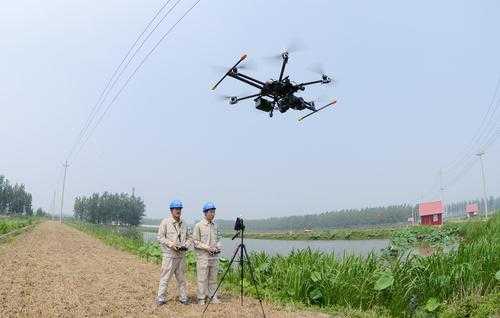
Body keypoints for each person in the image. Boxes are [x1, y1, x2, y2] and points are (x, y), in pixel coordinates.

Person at [156, 199, 190, 305]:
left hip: (181, 256)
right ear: (171, 210)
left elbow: (190, 237)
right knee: (165, 277)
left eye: (180, 208)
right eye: (176, 209)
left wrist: (186, 245)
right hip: (169, 255)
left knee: (182, 279)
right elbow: (160, 237)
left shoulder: (184, 223)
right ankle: (161, 298)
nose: (178, 210)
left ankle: (183, 298)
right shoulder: (165, 222)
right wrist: (171, 244)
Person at [192, 202, 222, 305]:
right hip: (203, 257)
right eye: (211, 212)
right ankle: (201, 298)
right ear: (205, 213)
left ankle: (213, 296)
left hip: (214, 256)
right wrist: (207, 247)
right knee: (202, 278)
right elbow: (195, 241)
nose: (213, 214)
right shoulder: (198, 225)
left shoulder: (215, 226)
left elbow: (218, 239)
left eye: (214, 212)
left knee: (213, 278)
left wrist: (218, 246)